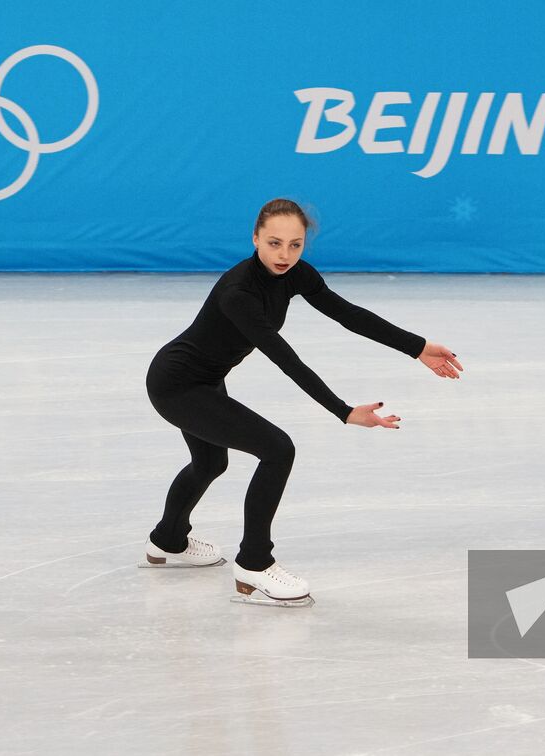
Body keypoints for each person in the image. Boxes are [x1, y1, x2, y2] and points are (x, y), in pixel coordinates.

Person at [143, 198, 463, 605]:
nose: (285, 255)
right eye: (274, 243)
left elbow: (348, 314)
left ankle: (168, 541)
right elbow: (285, 359)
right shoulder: (239, 292)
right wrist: (342, 411)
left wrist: (417, 348)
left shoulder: (296, 275)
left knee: (211, 462)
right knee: (277, 449)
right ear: (255, 238)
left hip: (202, 380)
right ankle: (254, 565)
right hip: (176, 384)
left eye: (295, 245)